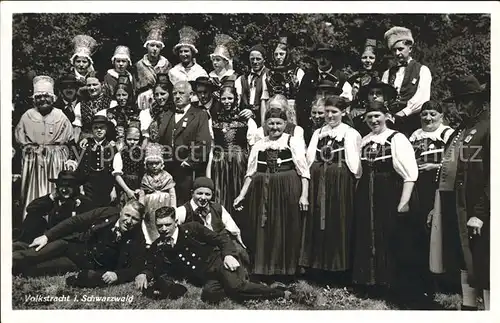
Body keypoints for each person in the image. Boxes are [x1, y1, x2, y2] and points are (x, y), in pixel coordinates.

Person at [351, 101, 439, 309]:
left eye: (377, 116)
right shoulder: (364, 140)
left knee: (390, 235)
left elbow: (410, 174)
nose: (373, 120)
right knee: (369, 234)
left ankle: (391, 284)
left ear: (387, 117)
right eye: (369, 117)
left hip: (390, 192)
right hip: (368, 193)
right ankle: (370, 282)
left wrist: (404, 202)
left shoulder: (397, 138)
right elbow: (359, 172)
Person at [136, 206, 304, 304]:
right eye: (160, 226)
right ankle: (239, 282)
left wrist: (229, 255)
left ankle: (283, 293)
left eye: (167, 225)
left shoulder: (192, 228)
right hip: (207, 275)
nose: (163, 229)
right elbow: (151, 261)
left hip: (219, 262)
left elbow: (222, 239)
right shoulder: (160, 244)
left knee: (236, 288)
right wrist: (144, 273)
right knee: (210, 295)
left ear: (176, 222)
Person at [428, 75, 489, 310]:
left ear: (480, 101)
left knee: (485, 264)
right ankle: (468, 308)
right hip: (456, 205)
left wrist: (481, 213)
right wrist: (438, 207)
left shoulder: (489, 128)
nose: (461, 107)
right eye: (458, 102)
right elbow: (448, 170)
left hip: (479, 209)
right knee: (465, 261)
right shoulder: (459, 132)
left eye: (467, 101)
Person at [233, 107, 310, 280]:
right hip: (262, 190)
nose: (275, 127)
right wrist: (242, 195)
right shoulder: (259, 144)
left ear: (285, 124)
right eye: (271, 123)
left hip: (287, 188)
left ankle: (286, 271)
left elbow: (304, 171)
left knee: (285, 226)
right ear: (266, 124)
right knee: (264, 227)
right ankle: (263, 270)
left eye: (279, 123)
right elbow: (250, 173)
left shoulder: (292, 141)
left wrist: (304, 195)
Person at [13, 201, 147, 289]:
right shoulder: (107, 213)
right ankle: (13, 253)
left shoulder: (138, 238)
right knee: (28, 256)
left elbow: (137, 265)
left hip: (77, 263)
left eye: (134, 219)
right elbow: (75, 221)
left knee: (34, 270)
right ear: (121, 211)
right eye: (127, 215)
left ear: (140, 220)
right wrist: (47, 236)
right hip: (70, 244)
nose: (128, 221)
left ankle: (19, 247)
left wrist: (118, 275)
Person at [300, 95, 361, 274]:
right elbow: (309, 159)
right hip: (318, 182)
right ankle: (317, 265)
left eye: (334, 112)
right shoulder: (319, 133)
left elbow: (355, 165)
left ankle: (338, 267)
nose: (329, 115)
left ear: (344, 112)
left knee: (337, 219)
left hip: (340, 183)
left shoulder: (350, 133)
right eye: (327, 112)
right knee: (317, 220)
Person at [408, 100, 454, 298]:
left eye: (433, 114)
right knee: (419, 230)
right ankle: (423, 279)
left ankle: (444, 282)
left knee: (439, 231)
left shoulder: (448, 134)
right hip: (418, 186)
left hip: (439, 186)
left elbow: (457, 160)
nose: (428, 118)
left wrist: (435, 167)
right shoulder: (415, 135)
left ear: (441, 116)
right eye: (425, 114)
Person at [15, 76, 75, 220]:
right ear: (34, 99)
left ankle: (54, 224)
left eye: (46, 96)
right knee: (32, 195)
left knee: (56, 192)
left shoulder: (60, 116)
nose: (43, 99)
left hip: (56, 161)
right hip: (33, 162)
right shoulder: (27, 116)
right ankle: (31, 223)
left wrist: (72, 160)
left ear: (53, 98)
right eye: (39, 96)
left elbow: (71, 142)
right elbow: (18, 143)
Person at [156, 81, 212, 205]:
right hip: (167, 169)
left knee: (185, 203)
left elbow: (203, 142)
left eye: (181, 93)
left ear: (191, 95)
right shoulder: (167, 114)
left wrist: (189, 161)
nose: (177, 96)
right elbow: (160, 139)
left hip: (187, 170)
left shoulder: (200, 114)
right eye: (174, 93)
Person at [175, 177, 250, 269]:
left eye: (207, 194)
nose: (203, 197)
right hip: (196, 247)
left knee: (239, 252)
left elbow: (232, 228)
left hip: (217, 243)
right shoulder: (182, 211)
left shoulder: (218, 208)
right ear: (192, 193)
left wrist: (238, 243)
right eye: (199, 193)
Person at [208, 84, 256, 210]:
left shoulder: (246, 120)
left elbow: (252, 146)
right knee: (221, 193)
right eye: (224, 99)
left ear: (235, 99)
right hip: (220, 162)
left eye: (230, 98)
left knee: (238, 191)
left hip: (239, 161)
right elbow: (212, 146)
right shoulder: (214, 120)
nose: (227, 102)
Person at [14, 170, 92, 245]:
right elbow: (30, 208)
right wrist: (51, 197)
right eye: (62, 186)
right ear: (57, 187)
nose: (64, 190)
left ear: (75, 187)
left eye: (68, 186)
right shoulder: (54, 199)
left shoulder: (83, 201)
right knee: (32, 217)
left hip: (70, 241)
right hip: (51, 239)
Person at [382, 26, 432, 137]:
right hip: (391, 121)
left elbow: (422, 98)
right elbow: (384, 96)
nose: (397, 53)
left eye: (400, 49)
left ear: (410, 49)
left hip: (412, 121)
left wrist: (404, 112)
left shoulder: (422, 70)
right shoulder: (387, 73)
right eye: (394, 50)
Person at [296, 42, 353, 133]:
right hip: (313, 120)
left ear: (331, 59)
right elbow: (302, 101)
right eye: (319, 57)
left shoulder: (341, 77)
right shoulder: (308, 76)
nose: (322, 60)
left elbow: (346, 103)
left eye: (326, 57)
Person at [67, 115, 117, 208]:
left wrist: (113, 188)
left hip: (105, 185)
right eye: (96, 128)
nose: (99, 130)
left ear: (106, 129)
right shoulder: (84, 145)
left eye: (102, 128)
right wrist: (80, 185)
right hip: (88, 185)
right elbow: (78, 165)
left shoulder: (111, 146)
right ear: (92, 130)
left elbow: (114, 169)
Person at [140, 143, 177, 244]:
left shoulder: (167, 177)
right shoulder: (145, 178)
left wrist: (174, 207)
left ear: (162, 164)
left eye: (157, 163)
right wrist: (141, 208)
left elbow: (172, 193)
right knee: (151, 224)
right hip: (150, 208)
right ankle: (151, 241)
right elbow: (142, 194)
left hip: (165, 203)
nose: (154, 166)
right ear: (147, 165)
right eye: (151, 164)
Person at [136, 16, 172, 111]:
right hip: (144, 99)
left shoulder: (166, 64)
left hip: (162, 98)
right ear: (147, 46)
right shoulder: (139, 65)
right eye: (152, 45)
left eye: (158, 46)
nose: (155, 49)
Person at [266, 35, 305, 114]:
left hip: (291, 108)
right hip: (273, 108)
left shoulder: (297, 71)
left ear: (287, 55)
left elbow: (302, 95)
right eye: (276, 54)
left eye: (281, 54)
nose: (278, 57)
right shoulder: (269, 73)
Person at [72, 73, 117, 142]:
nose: (92, 88)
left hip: (107, 142)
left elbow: (113, 128)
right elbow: (77, 128)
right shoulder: (80, 105)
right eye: (89, 85)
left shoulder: (111, 103)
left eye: (95, 85)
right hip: (86, 142)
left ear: (102, 84)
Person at [235, 44, 270, 127]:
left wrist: (254, 112)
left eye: (258, 59)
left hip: (264, 119)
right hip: (246, 120)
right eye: (252, 59)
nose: (255, 62)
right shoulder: (243, 78)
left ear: (264, 59)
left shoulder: (269, 75)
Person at [112, 126, 145, 208]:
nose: (132, 142)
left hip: (140, 187)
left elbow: (145, 173)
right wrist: (127, 190)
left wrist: (141, 189)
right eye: (129, 139)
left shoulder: (144, 154)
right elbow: (117, 175)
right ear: (125, 139)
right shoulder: (120, 154)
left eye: (136, 140)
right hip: (124, 186)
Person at [139, 74, 173, 145]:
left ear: (170, 93)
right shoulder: (151, 111)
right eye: (156, 95)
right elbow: (146, 136)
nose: (159, 97)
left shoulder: (174, 110)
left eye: (163, 94)